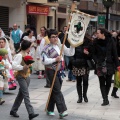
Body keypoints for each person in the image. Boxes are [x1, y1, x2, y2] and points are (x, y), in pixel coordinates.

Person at [41, 29, 75, 118]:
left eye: (56, 36)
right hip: (51, 70)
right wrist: (54, 59)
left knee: (55, 90)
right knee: (57, 90)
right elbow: (44, 61)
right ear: (49, 38)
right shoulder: (46, 48)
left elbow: (70, 53)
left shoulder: (60, 46)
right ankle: (62, 110)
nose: (55, 38)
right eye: (53, 37)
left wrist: (73, 45)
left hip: (60, 71)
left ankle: (50, 109)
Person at [10, 40, 39, 120]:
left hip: (27, 76)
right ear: (27, 47)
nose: (30, 48)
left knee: (21, 94)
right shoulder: (19, 55)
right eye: (30, 47)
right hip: (21, 76)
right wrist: (22, 67)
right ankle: (31, 113)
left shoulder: (27, 54)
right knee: (26, 94)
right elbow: (14, 66)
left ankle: (13, 110)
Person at [92, 28, 120, 106]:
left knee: (108, 82)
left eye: (98, 33)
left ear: (103, 33)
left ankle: (106, 95)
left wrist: (118, 65)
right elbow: (93, 53)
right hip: (100, 64)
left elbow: (115, 53)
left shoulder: (111, 40)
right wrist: (97, 60)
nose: (96, 34)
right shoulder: (95, 42)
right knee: (101, 82)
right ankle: (105, 99)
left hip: (109, 64)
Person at [69, 34, 93, 103]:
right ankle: (80, 97)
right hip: (76, 64)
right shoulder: (74, 43)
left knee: (85, 80)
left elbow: (92, 55)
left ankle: (84, 95)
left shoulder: (89, 43)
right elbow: (71, 53)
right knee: (79, 81)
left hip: (85, 64)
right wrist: (73, 61)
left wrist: (88, 53)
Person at [111, 32, 120, 98]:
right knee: (117, 79)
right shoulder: (116, 44)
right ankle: (114, 92)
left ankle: (114, 92)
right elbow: (114, 53)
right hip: (118, 63)